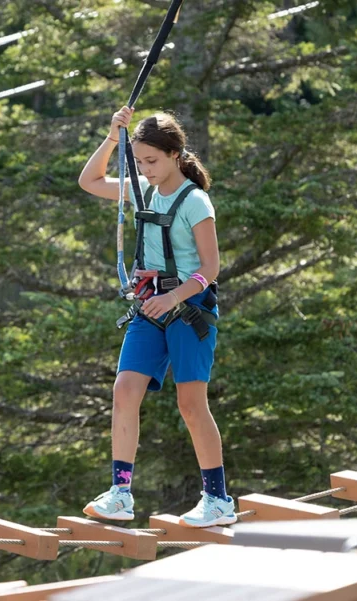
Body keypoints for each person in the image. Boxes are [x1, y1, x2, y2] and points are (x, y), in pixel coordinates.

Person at [76, 106, 235, 528]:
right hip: (149, 309)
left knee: (190, 403)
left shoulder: (195, 201)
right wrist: (113, 137)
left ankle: (217, 499)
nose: (145, 170)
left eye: (152, 161)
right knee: (124, 391)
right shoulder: (142, 190)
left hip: (188, 310)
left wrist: (175, 296)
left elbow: (211, 267)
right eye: (140, 161)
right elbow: (89, 181)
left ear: (175, 154)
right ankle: (120, 493)